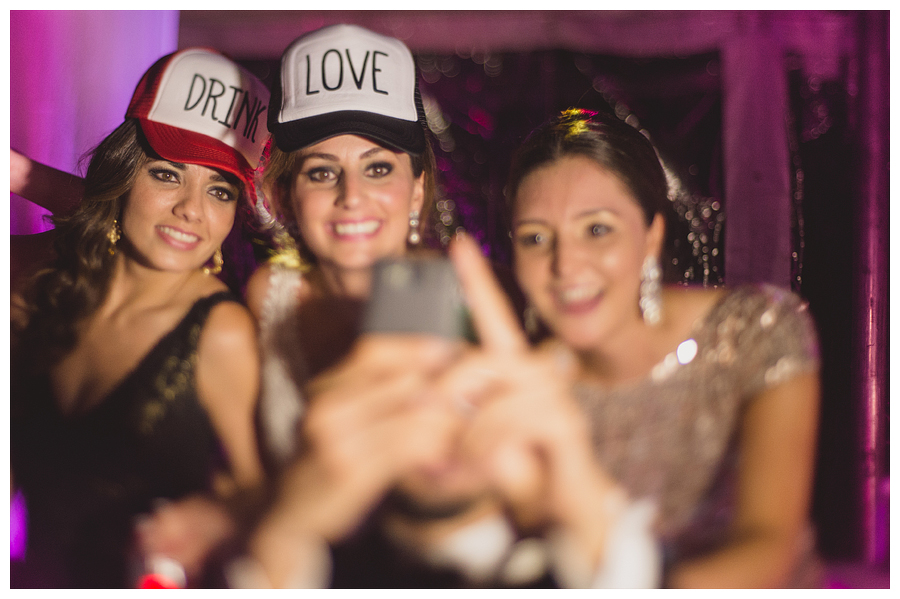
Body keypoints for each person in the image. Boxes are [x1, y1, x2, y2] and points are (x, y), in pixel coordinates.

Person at [500, 108, 823, 587]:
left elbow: (769, 545)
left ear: (650, 236)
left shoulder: (758, 328)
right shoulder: (525, 391)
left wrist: (636, 580)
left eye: (596, 229)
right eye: (536, 239)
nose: (565, 264)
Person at [10, 47, 269, 588]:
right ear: (126, 174)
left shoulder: (219, 330)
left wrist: (205, 520)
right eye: (167, 175)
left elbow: (254, 492)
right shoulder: (51, 287)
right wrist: (21, 174)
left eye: (219, 190)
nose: (192, 210)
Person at [243, 23, 441, 468]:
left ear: (416, 190)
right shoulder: (269, 297)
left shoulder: (465, 299)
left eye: (377, 170)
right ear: (285, 198)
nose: (351, 196)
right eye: (321, 172)